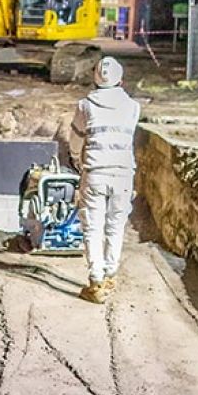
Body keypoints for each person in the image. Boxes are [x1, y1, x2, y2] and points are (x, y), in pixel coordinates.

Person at [68, 55, 140, 303]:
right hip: (123, 174)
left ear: (95, 80)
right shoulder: (133, 106)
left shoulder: (85, 105)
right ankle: (111, 273)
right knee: (115, 225)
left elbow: (76, 140)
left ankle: (96, 281)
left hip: (95, 172)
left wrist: (77, 160)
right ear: (121, 80)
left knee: (93, 226)